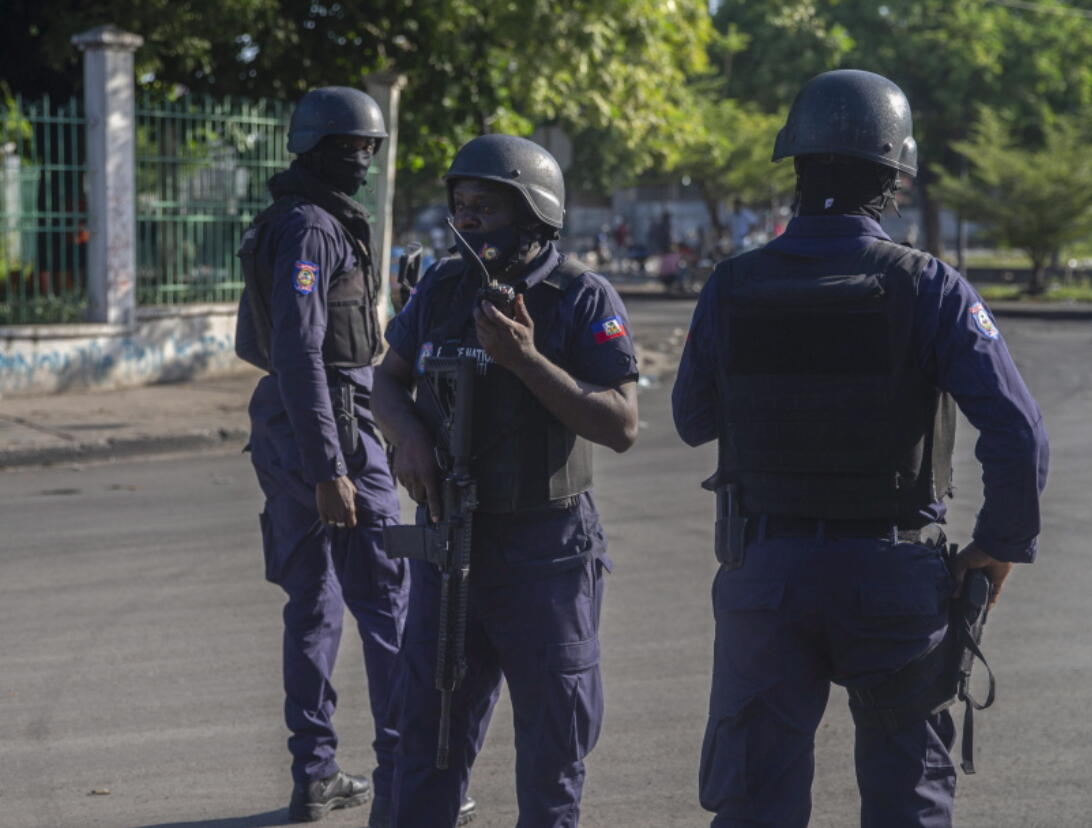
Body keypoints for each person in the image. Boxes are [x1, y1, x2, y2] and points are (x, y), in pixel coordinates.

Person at [671, 69, 1050, 827]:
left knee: (753, 804)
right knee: (907, 803)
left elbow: (691, 418)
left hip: (766, 574)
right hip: (891, 577)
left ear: (797, 168)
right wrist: (998, 546)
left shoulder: (732, 283)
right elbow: (1018, 430)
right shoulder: (931, 286)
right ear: (894, 179)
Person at [372, 133, 640, 828]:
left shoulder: (579, 296)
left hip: (544, 553)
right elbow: (387, 382)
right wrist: (409, 440)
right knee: (427, 742)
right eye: (460, 207)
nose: (467, 224)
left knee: (553, 750)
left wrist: (525, 359)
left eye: (484, 208)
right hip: (450, 543)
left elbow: (620, 424)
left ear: (531, 213)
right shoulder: (441, 286)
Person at [234, 86, 409, 825]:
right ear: (314, 150)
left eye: (370, 147)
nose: (363, 160)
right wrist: (332, 467)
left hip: (298, 427)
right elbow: (301, 352)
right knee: (384, 602)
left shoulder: (304, 219)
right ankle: (408, 773)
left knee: (317, 606)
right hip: (329, 427)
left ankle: (317, 774)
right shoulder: (310, 229)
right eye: (351, 148)